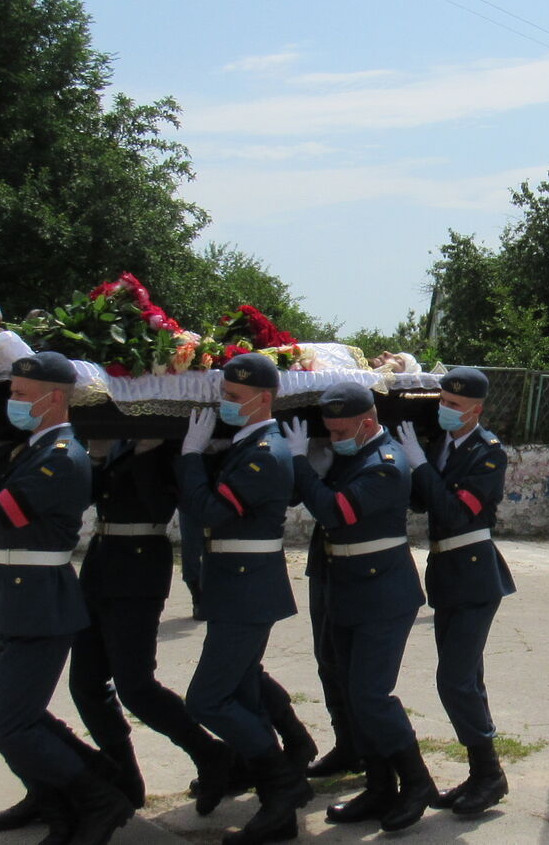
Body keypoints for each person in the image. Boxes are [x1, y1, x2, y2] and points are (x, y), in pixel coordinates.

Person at [0, 352, 134, 845]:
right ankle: (54, 796)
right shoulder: (28, 449)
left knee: (12, 724)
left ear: (54, 398)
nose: (12, 402)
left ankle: (99, 797)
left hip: (36, 602)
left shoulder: (58, 458)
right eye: (12, 393)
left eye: (21, 395)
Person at [284, 381, 435, 832]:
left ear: (368, 423)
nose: (333, 437)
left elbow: (334, 512)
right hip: (346, 587)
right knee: (350, 692)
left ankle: (417, 781)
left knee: (371, 695)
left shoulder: (386, 464)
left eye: (340, 430)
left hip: (382, 593)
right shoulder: (354, 454)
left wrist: (298, 461)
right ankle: (378, 786)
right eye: (328, 430)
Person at [178, 353, 315, 843]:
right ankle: (291, 756)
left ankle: (281, 786)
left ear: (265, 399)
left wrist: (191, 455)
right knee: (240, 688)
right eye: (223, 396)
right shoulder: (249, 443)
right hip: (238, 584)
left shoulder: (265, 453)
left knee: (208, 699)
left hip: (247, 588)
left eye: (234, 398)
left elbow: (210, 511)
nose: (225, 405)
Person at [70, 432, 232, 816]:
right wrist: (95, 459)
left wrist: (147, 453)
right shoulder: (120, 443)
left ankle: (210, 753)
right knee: (85, 683)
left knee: (136, 685)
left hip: (139, 571)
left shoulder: (170, 451)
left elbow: (160, 504)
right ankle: (123, 774)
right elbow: (89, 499)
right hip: (100, 566)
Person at [395, 366, 517, 815]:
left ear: (477, 411)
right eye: (442, 402)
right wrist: (409, 464)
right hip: (446, 572)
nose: (446, 410)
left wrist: (422, 466)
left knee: (454, 679)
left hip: (475, 573)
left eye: (455, 406)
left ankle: (489, 773)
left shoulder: (489, 454)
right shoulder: (441, 444)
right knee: (469, 680)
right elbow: (419, 500)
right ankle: (481, 773)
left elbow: (452, 513)